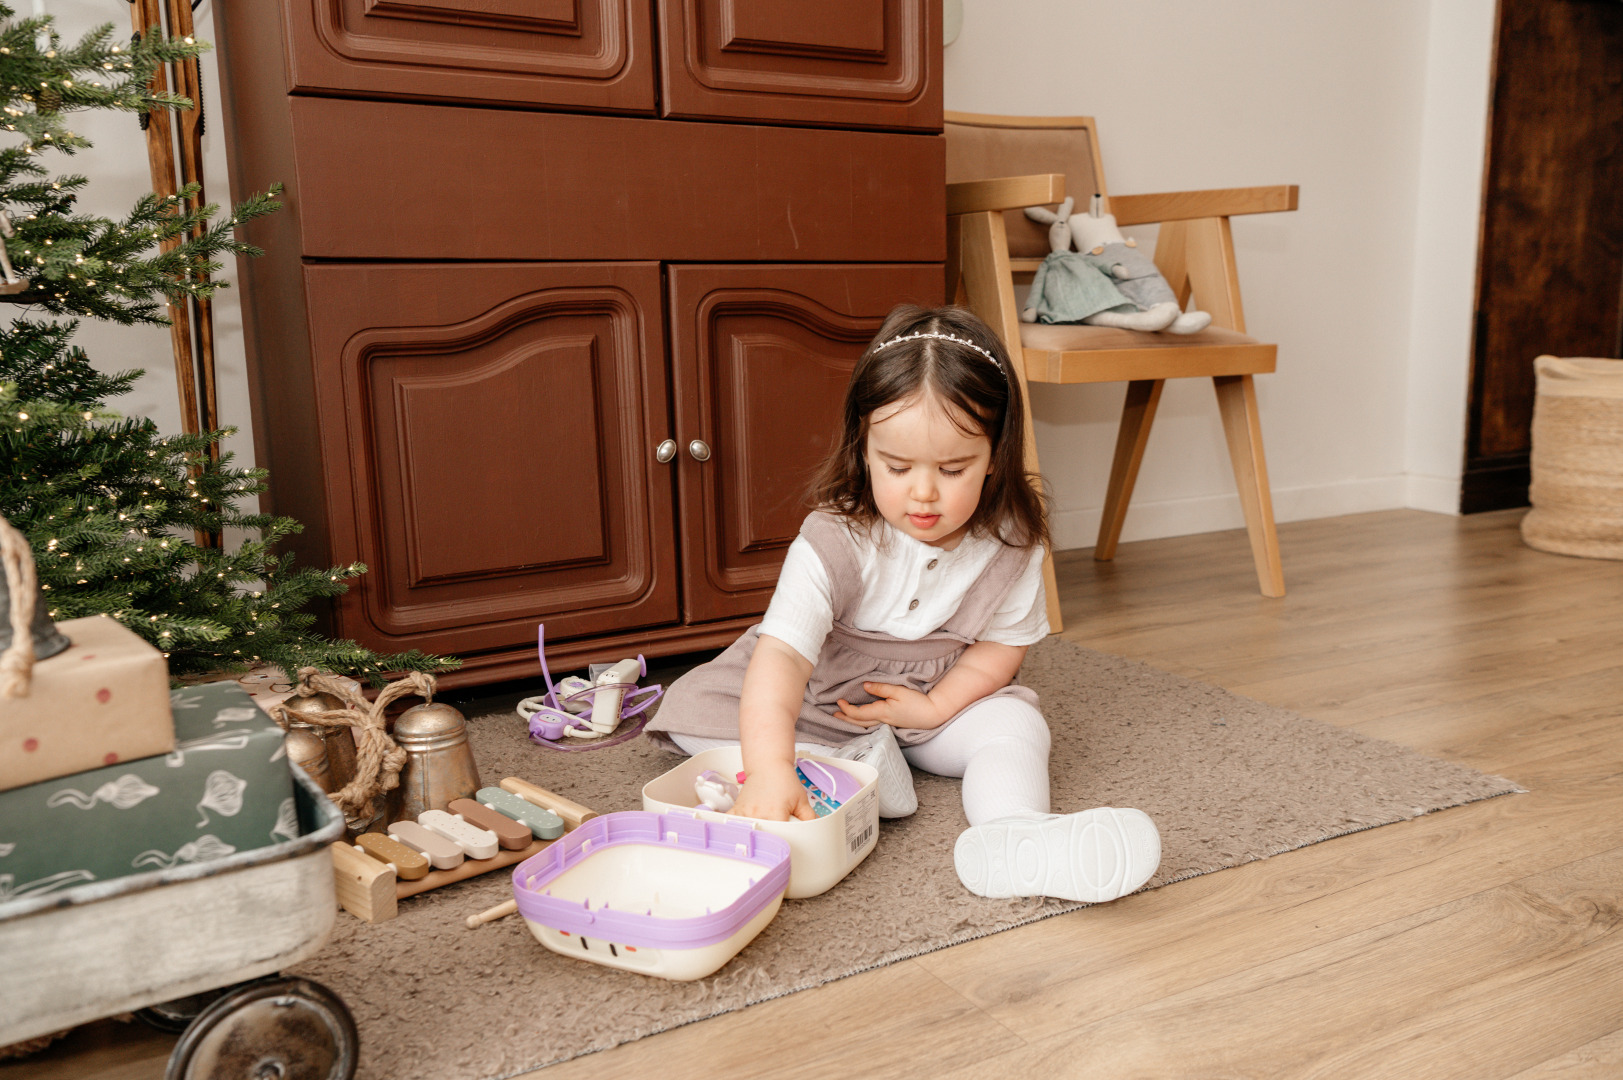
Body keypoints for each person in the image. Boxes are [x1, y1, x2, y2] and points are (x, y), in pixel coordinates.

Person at [645, 305, 1160, 902]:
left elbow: (1002, 646)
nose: (922, 492)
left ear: (996, 456)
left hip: (929, 704)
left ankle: (1014, 832)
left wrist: (935, 705)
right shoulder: (834, 540)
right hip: (819, 704)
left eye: (952, 468)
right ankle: (855, 767)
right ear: (864, 450)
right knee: (702, 720)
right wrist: (768, 769)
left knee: (1017, 724)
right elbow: (781, 661)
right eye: (896, 466)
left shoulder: (1012, 543)